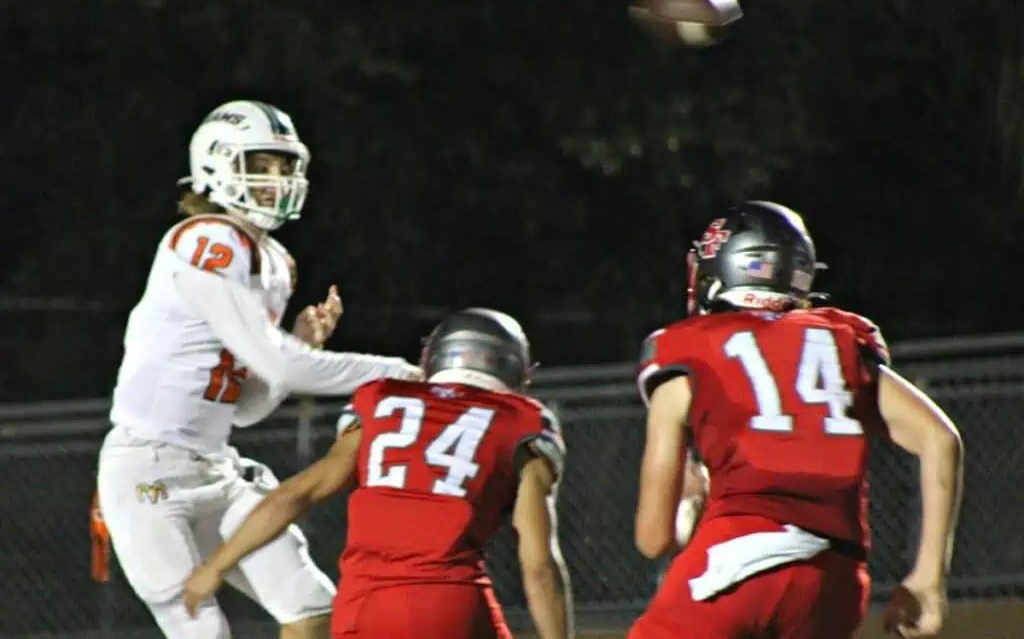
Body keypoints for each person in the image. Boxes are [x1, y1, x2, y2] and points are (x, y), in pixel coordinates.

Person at [95, 99, 421, 639]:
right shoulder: (206, 239)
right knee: (203, 632)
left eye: (285, 165)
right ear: (218, 163)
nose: (279, 178)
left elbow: (246, 410)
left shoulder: (274, 260)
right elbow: (281, 366)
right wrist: (394, 371)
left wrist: (298, 341)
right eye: (262, 164)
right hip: (148, 472)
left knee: (314, 610)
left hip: (215, 465)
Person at [629, 201, 963, 639]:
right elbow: (941, 440)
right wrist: (928, 580)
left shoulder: (686, 353)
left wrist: (692, 500)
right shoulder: (841, 343)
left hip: (735, 560)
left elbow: (654, 540)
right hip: (833, 577)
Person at [183, 307, 575, 639]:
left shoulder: (381, 400)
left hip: (362, 606)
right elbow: (539, 564)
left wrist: (215, 566)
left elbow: (294, 495)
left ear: (434, 357)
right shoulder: (521, 421)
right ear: (515, 368)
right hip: (448, 601)